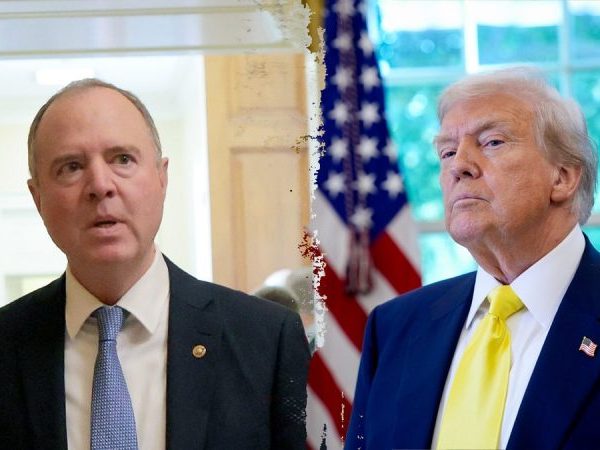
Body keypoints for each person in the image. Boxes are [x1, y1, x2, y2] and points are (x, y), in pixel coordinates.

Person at [0, 79, 310, 450]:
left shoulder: (266, 340)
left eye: (122, 159)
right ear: (38, 198)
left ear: (162, 177)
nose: (100, 185)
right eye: (71, 167)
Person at [345, 67, 600, 449]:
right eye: (447, 151)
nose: (458, 165)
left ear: (562, 177)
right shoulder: (396, 327)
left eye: (492, 142)